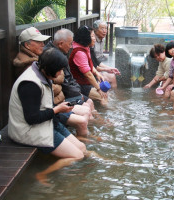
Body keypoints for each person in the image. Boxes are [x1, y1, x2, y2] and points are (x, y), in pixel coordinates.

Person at [8, 48, 87, 184]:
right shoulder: (30, 84)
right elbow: (31, 119)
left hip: (46, 123)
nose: (61, 73)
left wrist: (61, 112)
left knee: (82, 148)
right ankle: (42, 174)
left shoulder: (42, 73)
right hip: (28, 130)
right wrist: (57, 110)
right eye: (59, 70)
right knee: (77, 156)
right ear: (49, 68)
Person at [69, 26, 108, 106]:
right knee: (103, 96)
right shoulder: (79, 52)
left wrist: (97, 73)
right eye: (93, 36)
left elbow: (89, 66)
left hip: (85, 82)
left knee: (105, 94)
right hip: (79, 84)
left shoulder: (85, 48)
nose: (94, 38)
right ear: (85, 38)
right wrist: (98, 88)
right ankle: (105, 116)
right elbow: (88, 74)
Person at [92, 20, 120, 88]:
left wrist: (110, 68)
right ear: (95, 30)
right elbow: (93, 62)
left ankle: (113, 96)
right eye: (102, 28)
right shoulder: (92, 41)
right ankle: (105, 96)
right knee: (104, 79)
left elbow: (97, 60)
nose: (105, 31)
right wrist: (105, 70)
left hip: (97, 64)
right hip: (92, 67)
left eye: (106, 28)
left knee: (112, 76)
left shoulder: (102, 39)